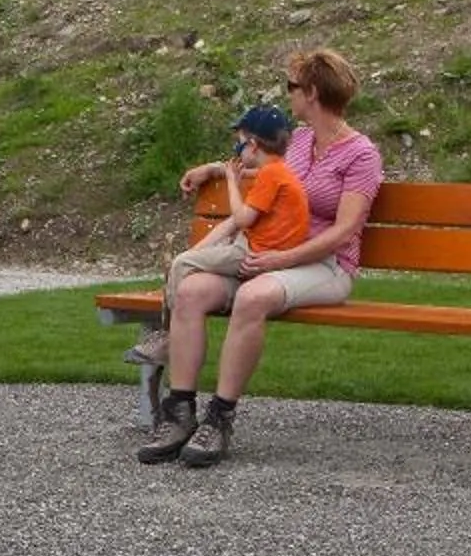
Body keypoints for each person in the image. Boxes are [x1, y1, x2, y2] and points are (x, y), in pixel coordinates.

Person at [140, 48, 384, 469]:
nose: (287, 95)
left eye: (292, 87)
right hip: (265, 255)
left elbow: (344, 232)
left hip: (323, 266)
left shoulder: (361, 155)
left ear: (311, 93)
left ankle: (220, 418)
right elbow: (262, 166)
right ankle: (180, 411)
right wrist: (214, 169)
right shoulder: (301, 140)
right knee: (194, 290)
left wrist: (278, 260)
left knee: (253, 298)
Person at [123, 104, 309, 376]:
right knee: (189, 261)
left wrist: (232, 180)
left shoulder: (271, 174)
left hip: (253, 254)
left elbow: (243, 218)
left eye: (238, 146)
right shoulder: (280, 171)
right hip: (258, 250)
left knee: (182, 264)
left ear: (254, 146)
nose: (237, 152)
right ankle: (171, 337)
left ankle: (169, 338)